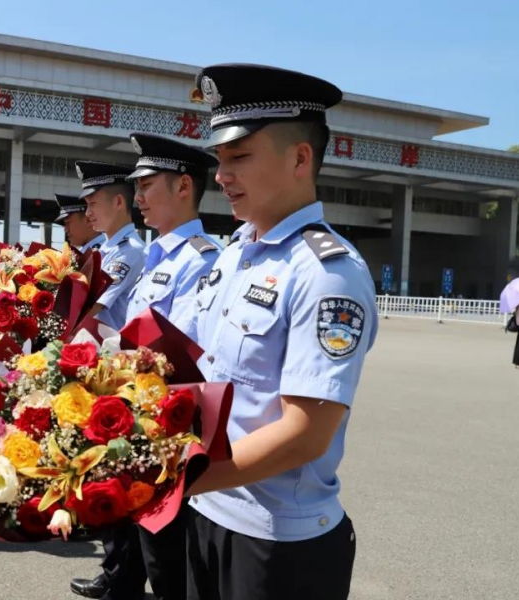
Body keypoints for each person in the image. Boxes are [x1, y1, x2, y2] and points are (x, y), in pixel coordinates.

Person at [184, 64, 379, 600]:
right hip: (208, 511)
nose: (222, 176)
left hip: (275, 542)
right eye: (220, 160)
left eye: (239, 157)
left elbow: (305, 433)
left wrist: (174, 481)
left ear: (300, 158)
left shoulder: (326, 273)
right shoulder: (235, 254)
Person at [71, 133, 220, 600]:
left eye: (146, 185)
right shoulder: (157, 258)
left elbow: (184, 351)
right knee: (149, 545)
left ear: (183, 187)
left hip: (169, 423)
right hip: (138, 416)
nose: (137, 198)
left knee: (170, 558)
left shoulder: (202, 260)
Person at [75, 160, 146, 331]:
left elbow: (91, 306)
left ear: (118, 202)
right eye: (86, 205)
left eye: (93, 204)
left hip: (113, 350)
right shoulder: (106, 249)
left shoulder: (130, 252)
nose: (87, 213)